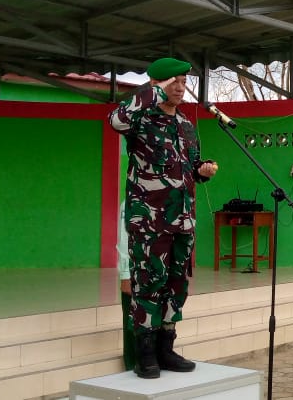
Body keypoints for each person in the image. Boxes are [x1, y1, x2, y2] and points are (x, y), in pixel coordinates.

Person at [109, 57, 219, 378]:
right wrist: (152, 93)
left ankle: (166, 348)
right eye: (174, 83)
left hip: (183, 220)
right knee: (149, 285)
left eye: (184, 83)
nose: (181, 89)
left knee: (176, 285)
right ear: (158, 84)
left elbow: (191, 167)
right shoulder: (141, 119)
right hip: (149, 221)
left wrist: (203, 170)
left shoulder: (186, 125)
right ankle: (145, 353)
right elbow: (115, 121)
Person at [117, 202, 136, 370]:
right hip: (135, 273)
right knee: (132, 322)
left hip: (159, 273)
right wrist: (125, 274)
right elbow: (124, 238)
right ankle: (131, 365)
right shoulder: (131, 201)